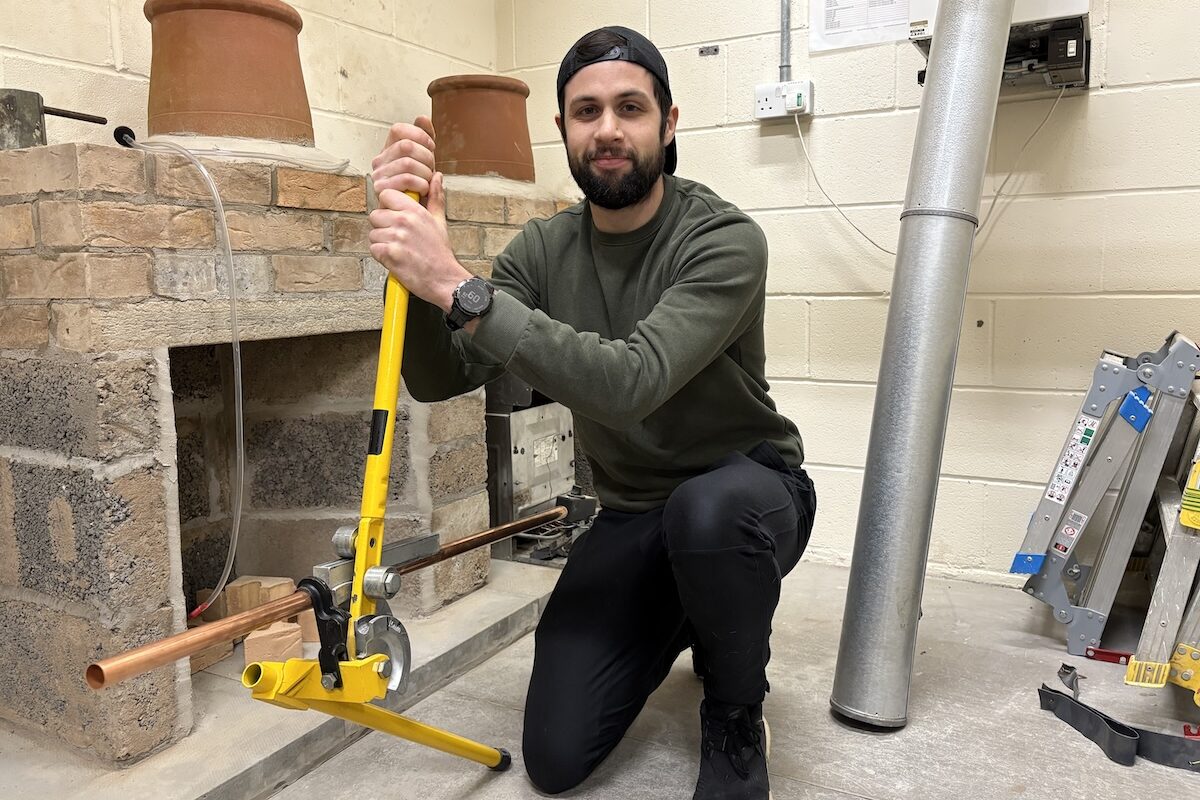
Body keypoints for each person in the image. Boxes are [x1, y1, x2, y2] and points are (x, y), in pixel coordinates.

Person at [367, 25, 816, 800]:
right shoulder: (543, 251)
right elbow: (443, 379)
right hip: (634, 513)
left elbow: (629, 384)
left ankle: (736, 708)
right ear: (564, 132)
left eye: (630, 107)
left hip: (747, 494)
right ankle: (689, 608)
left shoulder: (724, 239)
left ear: (668, 123)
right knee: (556, 755)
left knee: (707, 517)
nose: (607, 129)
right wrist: (413, 264)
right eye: (586, 112)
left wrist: (461, 288)